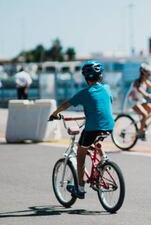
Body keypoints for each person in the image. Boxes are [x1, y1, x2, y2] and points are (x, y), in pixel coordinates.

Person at [49, 60, 114, 199]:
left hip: (92, 128)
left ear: (86, 78)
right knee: (98, 141)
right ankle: (104, 161)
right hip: (109, 126)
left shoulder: (84, 93)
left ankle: (80, 188)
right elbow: (107, 103)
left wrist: (55, 114)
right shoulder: (107, 88)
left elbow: (66, 104)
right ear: (100, 76)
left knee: (80, 153)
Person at [125, 64, 151, 141]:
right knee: (144, 114)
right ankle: (141, 132)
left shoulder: (146, 82)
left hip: (140, 101)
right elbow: (140, 90)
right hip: (132, 101)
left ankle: (142, 124)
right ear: (144, 74)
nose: (149, 76)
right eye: (148, 74)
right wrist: (147, 94)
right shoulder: (137, 82)